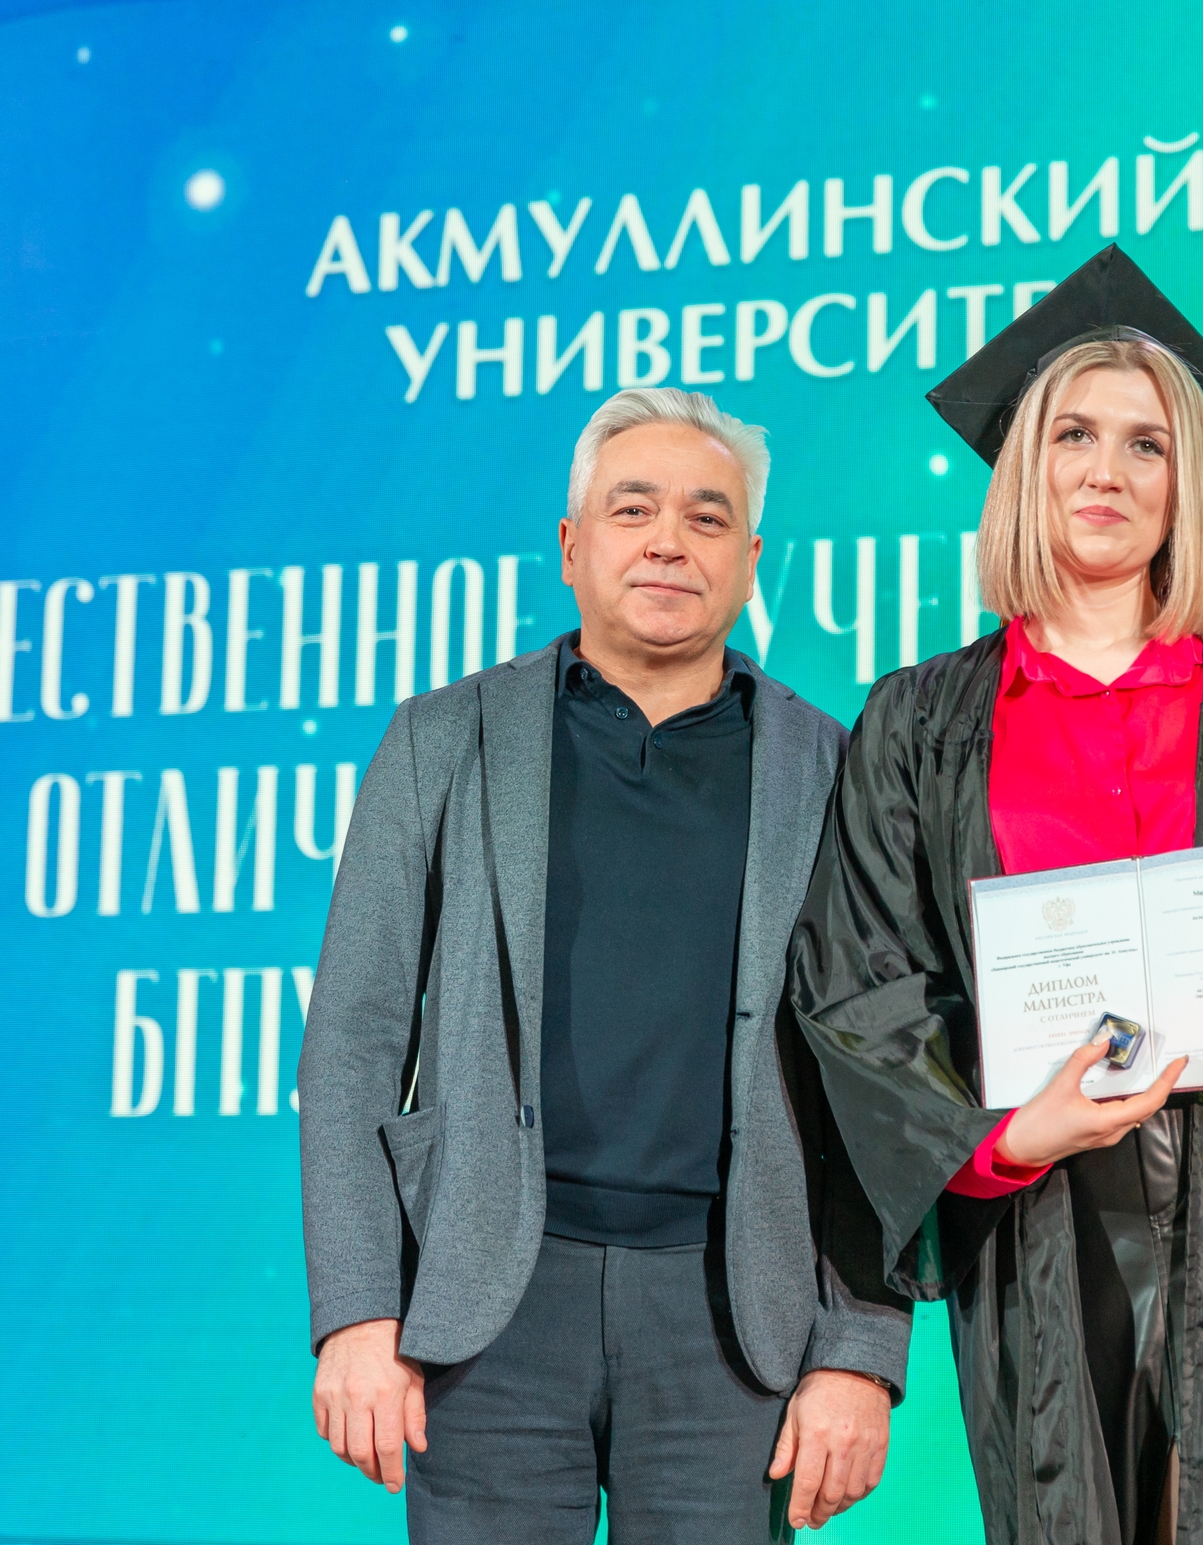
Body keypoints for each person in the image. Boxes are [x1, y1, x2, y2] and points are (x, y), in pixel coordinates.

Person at [789, 246, 1203, 1545]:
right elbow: (862, 986)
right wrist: (1005, 1137)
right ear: (1023, 467)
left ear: (1186, 481)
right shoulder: (922, 724)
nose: (1107, 471)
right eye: (1075, 436)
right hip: (1051, 1210)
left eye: (1146, 445)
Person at [300, 388, 909, 1545]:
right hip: (484, 1311)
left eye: (707, 517)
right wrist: (357, 1312)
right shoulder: (444, 738)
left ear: (751, 562)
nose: (669, 540)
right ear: (572, 546)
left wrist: (861, 1351)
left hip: (734, 1323)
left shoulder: (831, 769)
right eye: (633, 510)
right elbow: (353, 1043)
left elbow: (881, 1086)